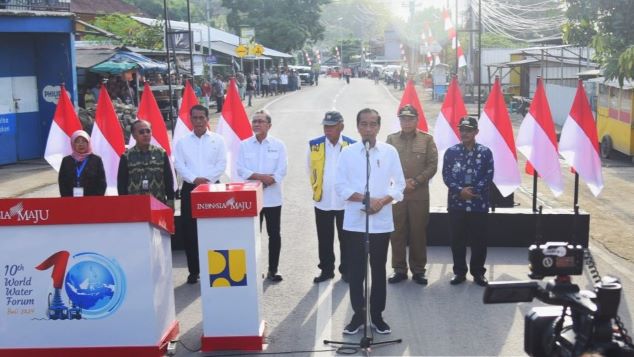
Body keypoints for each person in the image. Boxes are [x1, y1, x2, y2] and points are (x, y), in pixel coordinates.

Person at [335, 108, 405, 335]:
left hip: (381, 223)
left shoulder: (389, 152)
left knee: (378, 270)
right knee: (356, 272)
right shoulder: (348, 153)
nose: (368, 128)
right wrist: (364, 199)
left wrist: (381, 202)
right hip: (355, 223)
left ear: (378, 126)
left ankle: (376, 316)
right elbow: (340, 187)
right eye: (363, 124)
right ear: (357, 127)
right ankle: (357, 315)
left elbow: (400, 186)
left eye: (372, 124)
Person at [174, 104, 227, 284]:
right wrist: (195, 179)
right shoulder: (182, 142)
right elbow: (179, 165)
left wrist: (207, 180)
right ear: (190, 120)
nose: (198, 121)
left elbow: (221, 164)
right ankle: (194, 271)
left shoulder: (218, 140)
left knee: (214, 230)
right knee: (190, 231)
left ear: (207, 119)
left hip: (212, 188)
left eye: (201, 118)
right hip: (190, 188)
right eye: (195, 118)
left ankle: (215, 268)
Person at [386, 105, 438, 285]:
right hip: (397, 194)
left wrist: (415, 181)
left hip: (419, 194)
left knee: (418, 232)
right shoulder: (391, 140)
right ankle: (399, 269)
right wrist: (401, 183)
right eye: (403, 119)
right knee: (397, 232)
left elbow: (432, 165)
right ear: (399, 120)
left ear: (417, 120)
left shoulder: (427, 139)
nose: (406, 122)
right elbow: (386, 165)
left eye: (410, 119)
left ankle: (418, 270)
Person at [442, 116, 494, 287]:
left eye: (469, 130)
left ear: (476, 132)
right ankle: (459, 272)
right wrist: (460, 191)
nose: (464, 133)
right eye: (462, 130)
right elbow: (447, 175)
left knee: (479, 240)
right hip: (457, 204)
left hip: (478, 204)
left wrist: (473, 192)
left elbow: (488, 175)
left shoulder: (485, 152)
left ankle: (478, 272)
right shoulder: (451, 152)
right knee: (457, 239)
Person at [237, 110, 288, 282]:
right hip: (251, 198)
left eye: (261, 121)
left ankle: (273, 269)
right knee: (253, 236)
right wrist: (261, 178)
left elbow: (282, 170)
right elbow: (241, 169)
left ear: (269, 125)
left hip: (273, 198)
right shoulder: (244, 145)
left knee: (274, 234)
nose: (257, 124)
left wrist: (269, 181)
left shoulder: (278, 145)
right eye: (255, 121)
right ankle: (254, 269)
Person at [307, 111, 356, 283]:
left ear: (341, 126)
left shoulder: (352, 145)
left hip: (346, 202)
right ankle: (326, 270)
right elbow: (310, 168)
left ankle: (347, 270)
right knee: (324, 239)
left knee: (347, 239)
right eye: (325, 126)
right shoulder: (314, 144)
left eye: (331, 126)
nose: (327, 130)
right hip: (323, 201)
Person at [117, 120, 174, 207]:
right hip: (135, 205)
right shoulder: (126, 156)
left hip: (158, 202)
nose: (145, 134)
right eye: (141, 132)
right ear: (133, 135)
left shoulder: (161, 153)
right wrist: (124, 202)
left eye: (148, 131)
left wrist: (170, 199)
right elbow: (122, 183)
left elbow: (168, 178)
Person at [58, 130, 107, 197]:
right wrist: (66, 199)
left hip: (92, 200)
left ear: (88, 143)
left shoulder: (96, 160)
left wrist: (97, 199)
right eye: (77, 142)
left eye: (84, 141)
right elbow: (62, 182)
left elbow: (102, 182)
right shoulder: (66, 161)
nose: (81, 144)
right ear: (73, 144)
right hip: (71, 201)